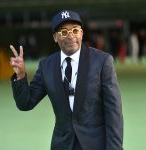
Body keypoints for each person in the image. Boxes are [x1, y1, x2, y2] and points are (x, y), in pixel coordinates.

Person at [10, 10, 123, 150]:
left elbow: (114, 112)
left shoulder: (102, 61)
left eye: (75, 31)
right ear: (55, 37)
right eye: (64, 32)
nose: (70, 36)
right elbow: (25, 103)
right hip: (62, 145)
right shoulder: (46, 66)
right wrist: (20, 76)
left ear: (81, 33)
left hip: (96, 145)